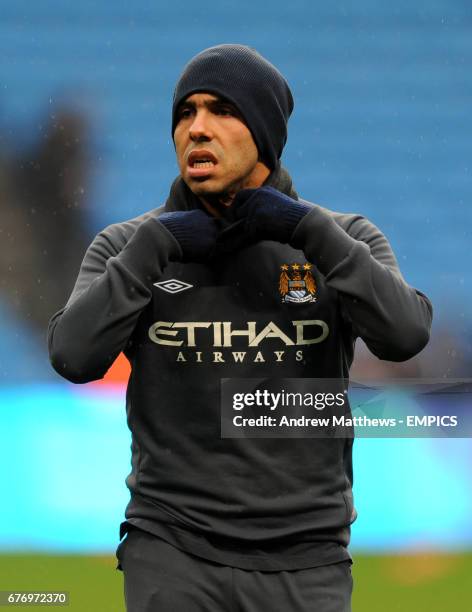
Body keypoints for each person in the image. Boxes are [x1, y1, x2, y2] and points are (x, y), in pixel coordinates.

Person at [48, 44, 432, 611]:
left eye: (222, 110)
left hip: (308, 558)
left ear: (265, 134)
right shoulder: (128, 247)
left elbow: (405, 336)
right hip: (171, 549)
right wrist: (157, 245)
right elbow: (73, 357)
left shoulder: (343, 237)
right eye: (186, 113)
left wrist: (308, 230)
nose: (197, 129)